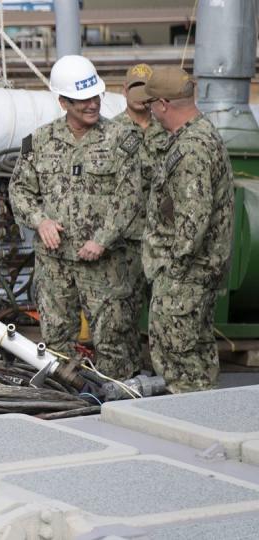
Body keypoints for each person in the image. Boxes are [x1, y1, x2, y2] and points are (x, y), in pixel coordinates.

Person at [9, 55, 142, 380]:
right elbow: (19, 190)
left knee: (113, 340)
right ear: (63, 101)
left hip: (104, 264)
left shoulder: (122, 139)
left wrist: (103, 238)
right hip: (54, 264)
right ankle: (64, 405)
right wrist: (40, 220)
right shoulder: (35, 141)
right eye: (82, 100)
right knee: (55, 341)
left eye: (95, 97)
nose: (92, 105)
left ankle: (120, 402)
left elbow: (130, 196)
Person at [136, 66, 233, 393]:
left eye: (151, 105)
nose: (150, 111)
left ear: (164, 104)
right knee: (197, 353)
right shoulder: (201, 133)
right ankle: (207, 418)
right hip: (195, 273)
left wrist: (173, 269)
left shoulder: (191, 147)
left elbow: (193, 219)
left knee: (178, 362)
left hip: (184, 275)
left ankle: (188, 425)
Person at [109, 63, 169, 370]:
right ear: (124, 91)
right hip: (125, 240)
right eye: (135, 88)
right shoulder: (112, 132)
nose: (141, 95)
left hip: (161, 238)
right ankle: (129, 374)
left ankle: (164, 372)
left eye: (147, 89)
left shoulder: (168, 131)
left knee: (164, 310)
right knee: (124, 312)